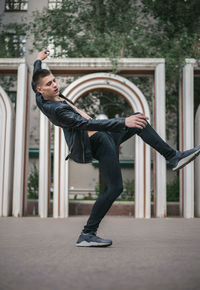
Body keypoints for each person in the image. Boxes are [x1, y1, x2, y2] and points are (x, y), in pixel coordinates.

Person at [32, 49, 200, 247]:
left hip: (103, 138)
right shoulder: (56, 110)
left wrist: (37, 60)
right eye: (49, 84)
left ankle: (173, 157)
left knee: (140, 122)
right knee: (116, 187)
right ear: (41, 90)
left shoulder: (40, 96)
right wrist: (122, 121)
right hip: (98, 142)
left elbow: (35, 77)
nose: (54, 85)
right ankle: (87, 234)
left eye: (54, 81)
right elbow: (88, 124)